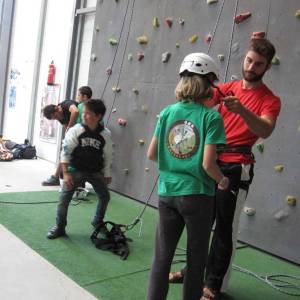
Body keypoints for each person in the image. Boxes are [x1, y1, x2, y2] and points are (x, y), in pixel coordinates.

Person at [169, 38, 281, 300]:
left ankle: (213, 284)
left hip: (236, 166)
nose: (252, 67)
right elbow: (200, 101)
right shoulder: (228, 87)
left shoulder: (269, 100)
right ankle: (192, 271)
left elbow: (265, 129)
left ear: (267, 68)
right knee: (200, 222)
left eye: (259, 64)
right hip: (210, 162)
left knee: (224, 227)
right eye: (249, 60)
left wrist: (241, 110)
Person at [146, 53, 229, 300]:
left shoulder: (167, 113)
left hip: (167, 192)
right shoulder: (212, 117)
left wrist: (174, 161)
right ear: (209, 85)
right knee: (196, 258)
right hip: (198, 196)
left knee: (162, 257)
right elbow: (208, 164)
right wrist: (222, 180)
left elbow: (151, 154)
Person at [47, 99, 113, 239]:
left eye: (88, 113)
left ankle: (97, 222)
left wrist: (107, 173)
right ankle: (60, 227)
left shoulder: (105, 134)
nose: (83, 115)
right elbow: (65, 151)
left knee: (105, 196)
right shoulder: (76, 130)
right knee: (64, 199)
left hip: (96, 171)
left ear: (98, 116)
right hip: (75, 170)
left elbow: (108, 154)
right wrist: (65, 173)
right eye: (84, 112)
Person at [42, 86, 92, 186]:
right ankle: (58, 176)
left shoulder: (66, 104)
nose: (57, 118)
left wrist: (70, 127)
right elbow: (67, 130)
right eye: (54, 119)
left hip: (85, 130)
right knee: (66, 150)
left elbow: (75, 112)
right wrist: (67, 138)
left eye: (55, 116)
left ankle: (59, 177)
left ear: (57, 108)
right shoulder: (60, 117)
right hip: (78, 133)